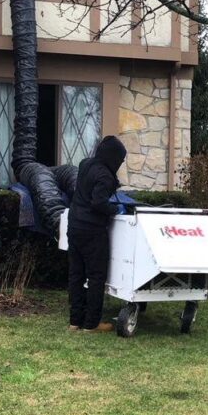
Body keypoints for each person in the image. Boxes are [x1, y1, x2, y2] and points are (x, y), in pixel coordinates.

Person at [66, 135, 127, 333]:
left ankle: (75, 322)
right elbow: (98, 202)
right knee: (96, 276)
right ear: (113, 157)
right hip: (92, 231)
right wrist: (115, 210)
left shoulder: (85, 164)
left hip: (74, 226)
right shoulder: (106, 176)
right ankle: (91, 324)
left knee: (76, 274)